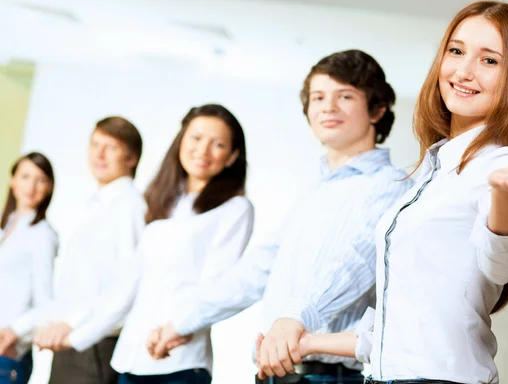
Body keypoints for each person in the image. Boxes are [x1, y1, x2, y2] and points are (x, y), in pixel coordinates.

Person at [269, 1, 508, 384]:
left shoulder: (503, 166)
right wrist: (307, 342)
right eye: (456, 51)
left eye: (489, 60)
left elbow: (502, 263)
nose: (464, 71)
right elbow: (403, 327)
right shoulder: (431, 172)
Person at [148, 50, 414, 384]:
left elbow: (353, 264)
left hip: (328, 376)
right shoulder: (313, 193)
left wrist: (294, 318)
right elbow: (257, 269)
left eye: (344, 96)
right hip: (275, 373)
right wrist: (184, 322)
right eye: (318, 97)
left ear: (376, 109)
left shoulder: (390, 186)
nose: (328, 107)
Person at [47, 104, 254, 384]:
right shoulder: (161, 204)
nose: (202, 150)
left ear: (231, 157)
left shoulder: (235, 209)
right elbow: (127, 286)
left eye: (217, 144)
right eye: (195, 138)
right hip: (130, 362)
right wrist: (75, 336)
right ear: (181, 141)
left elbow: (217, 287)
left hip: (179, 362)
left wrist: (178, 327)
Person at [18, 117, 146, 384]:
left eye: (110, 147)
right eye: (95, 144)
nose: (99, 154)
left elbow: (126, 285)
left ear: (131, 157)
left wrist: (72, 323)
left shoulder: (131, 207)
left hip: (95, 346)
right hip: (69, 342)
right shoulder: (93, 207)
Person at [0, 152, 57, 384]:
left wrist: (15, 331)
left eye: (41, 179)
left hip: (7, 354)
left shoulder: (42, 234)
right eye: (25, 176)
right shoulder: (8, 225)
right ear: (13, 181)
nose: (31, 186)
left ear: (49, 188)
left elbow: (46, 302)